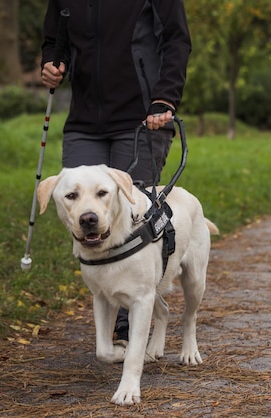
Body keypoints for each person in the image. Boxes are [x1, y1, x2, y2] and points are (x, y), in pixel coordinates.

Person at [41, 0, 191, 341]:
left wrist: (165, 97)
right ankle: (109, 305)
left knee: (135, 215)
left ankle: (129, 318)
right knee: (81, 205)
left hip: (142, 116)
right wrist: (51, 64)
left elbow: (177, 39)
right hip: (84, 119)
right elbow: (54, 41)